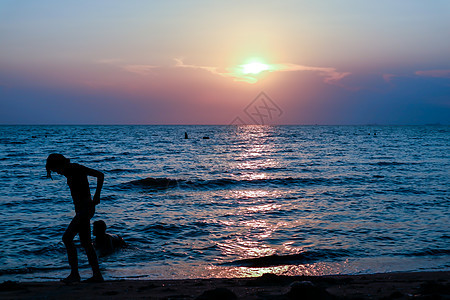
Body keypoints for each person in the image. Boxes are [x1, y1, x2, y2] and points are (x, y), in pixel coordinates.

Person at [46, 153, 104, 283]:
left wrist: (97, 196)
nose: (56, 173)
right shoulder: (69, 171)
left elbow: (100, 175)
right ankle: (96, 275)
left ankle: (75, 274)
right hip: (82, 210)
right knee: (86, 243)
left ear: (59, 165)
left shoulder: (75, 168)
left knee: (67, 238)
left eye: (54, 169)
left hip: (85, 209)